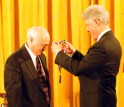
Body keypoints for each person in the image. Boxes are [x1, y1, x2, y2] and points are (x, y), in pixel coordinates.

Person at [51, 5, 122, 107]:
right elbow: (90, 65)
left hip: (97, 102)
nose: (87, 30)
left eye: (88, 25)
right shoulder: (112, 41)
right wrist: (73, 52)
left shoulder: (101, 46)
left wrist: (58, 53)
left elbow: (79, 69)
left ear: (96, 22)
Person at [4, 26, 51, 107]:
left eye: (47, 45)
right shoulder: (14, 61)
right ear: (31, 40)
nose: (45, 49)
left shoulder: (42, 57)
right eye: (42, 45)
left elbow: (44, 89)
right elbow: (14, 98)